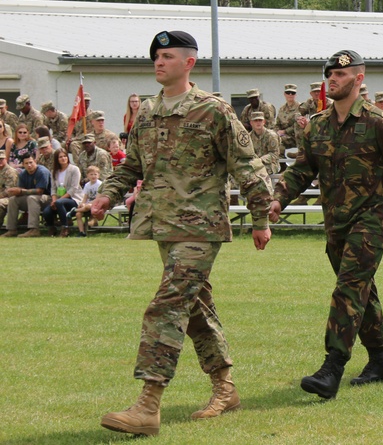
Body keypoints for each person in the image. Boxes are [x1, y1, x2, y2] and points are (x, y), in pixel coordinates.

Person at [90, 30, 273, 437]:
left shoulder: (213, 111)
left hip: (200, 227)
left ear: (189, 63)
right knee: (194, 307)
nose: (159, 61)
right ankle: (225, 387)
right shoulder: (149, 112)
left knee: (167, 305)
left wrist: (261, 219)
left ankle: (147, 405)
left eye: (168, 56)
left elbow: (249, 167)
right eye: (156, 55)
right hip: (162, 225)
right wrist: (107, 196)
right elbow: (131, 165)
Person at [270, 49, 383, 400]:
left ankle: (332, 366)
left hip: (369, 222)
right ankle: (381, 361)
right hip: (336, 225)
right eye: (330, 73)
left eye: (341, 75)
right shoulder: (317, 125)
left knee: (348, 288)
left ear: (359, 79)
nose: (333, 79)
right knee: (362, 292)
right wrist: (278, 198)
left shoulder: (381, 123)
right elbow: (301, 170)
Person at [2, 154, 52, 237]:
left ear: (35, 161)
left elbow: (40, 191)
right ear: (23, 164)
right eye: (26, 163)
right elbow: (21, 191)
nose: (29, 165)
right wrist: (14, 192)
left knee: (32, 198)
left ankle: (34, 229)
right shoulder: (23, 174)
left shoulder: (42, 171)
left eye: (31, 162)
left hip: (47, 198)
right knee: (13, 199)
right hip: (31, 199)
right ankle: (11, 229)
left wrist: (21, 191)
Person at [41, 149, 82, 236]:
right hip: (59, 200)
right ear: (57, 159)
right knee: (46, 212)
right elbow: (53, 189)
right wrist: (54, 200)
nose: (63, 158)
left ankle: (65, 228)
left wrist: (58, 201)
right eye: (60, 157)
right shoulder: (54, 172)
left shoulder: (74, 169)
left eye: (65, 156)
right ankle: (51, 228)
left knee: (59, 203)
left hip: (73, 199)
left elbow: (73, 188)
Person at [74, 165, 103, 236]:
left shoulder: (100, 184)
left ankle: (74, 210)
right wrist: (82, 204)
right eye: (91, 174)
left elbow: (97, 199)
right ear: (87, 176)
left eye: (95, 174)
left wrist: (86, 205)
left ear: (98, 175)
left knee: (87, 207)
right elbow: (85, 197)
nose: (93, 176)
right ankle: (81, 232)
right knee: (78, 214)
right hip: (88, 204)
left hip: (97, 204)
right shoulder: (87, 185)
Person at [275, 84, 301, 152]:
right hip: (283, 136)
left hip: (296, 137)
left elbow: (299, 124)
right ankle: (281, 161)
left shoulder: (300, 108)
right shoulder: (282, 109)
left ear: (295, 95)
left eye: (293, 93)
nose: (290, 95)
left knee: (279, 140)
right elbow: (277, 124)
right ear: (284, 94)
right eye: (288, 93)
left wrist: (285, 131)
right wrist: (276, 132)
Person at [0, 151, 18, 228]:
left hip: (10, 198)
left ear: (6, 159)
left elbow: (9, 191)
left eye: (1, 159)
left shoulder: (11, 172)